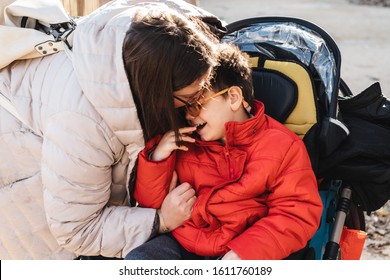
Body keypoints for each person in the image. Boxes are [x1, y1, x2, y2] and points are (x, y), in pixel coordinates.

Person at [0, 0, 223, 259]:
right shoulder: (83, 125)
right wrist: (161, 219)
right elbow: (76, 230)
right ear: (158, 92)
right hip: (22, 183)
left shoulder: (135, 35)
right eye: (192, 97)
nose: (199, 104)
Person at [126, 43, 323, 260]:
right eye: (183, 109)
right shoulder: (184, 143)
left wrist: (245, 253)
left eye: (196, 105)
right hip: (183, 243)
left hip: (245, 248)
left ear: (233, 98)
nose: (189, 116)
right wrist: (158, 158)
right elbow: (149, 205)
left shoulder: (283, 147)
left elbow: (295, 213)